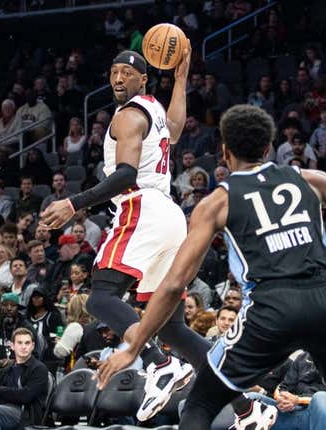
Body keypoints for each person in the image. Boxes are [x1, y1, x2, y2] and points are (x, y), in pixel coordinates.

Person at [97, 104, 326, 429]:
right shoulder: (309, 179)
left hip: (272, 309)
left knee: (199, 406)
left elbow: (173, 285)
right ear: (270, 147)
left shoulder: (218, 201)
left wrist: (136, 346)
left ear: (225, 151)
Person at [41, 47, 214, 421]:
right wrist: (182, 77)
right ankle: (244, 404)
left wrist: (73, 204)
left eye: (127, 73)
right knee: (172, 326)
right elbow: (177, 127)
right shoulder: (153, 108)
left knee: (100, 298)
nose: (118, 79)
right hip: (169, 216)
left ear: (143, 79)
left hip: (142, 207)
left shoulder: (127, 115)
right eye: (114, 71)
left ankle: (157, 363)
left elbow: (125, 175)